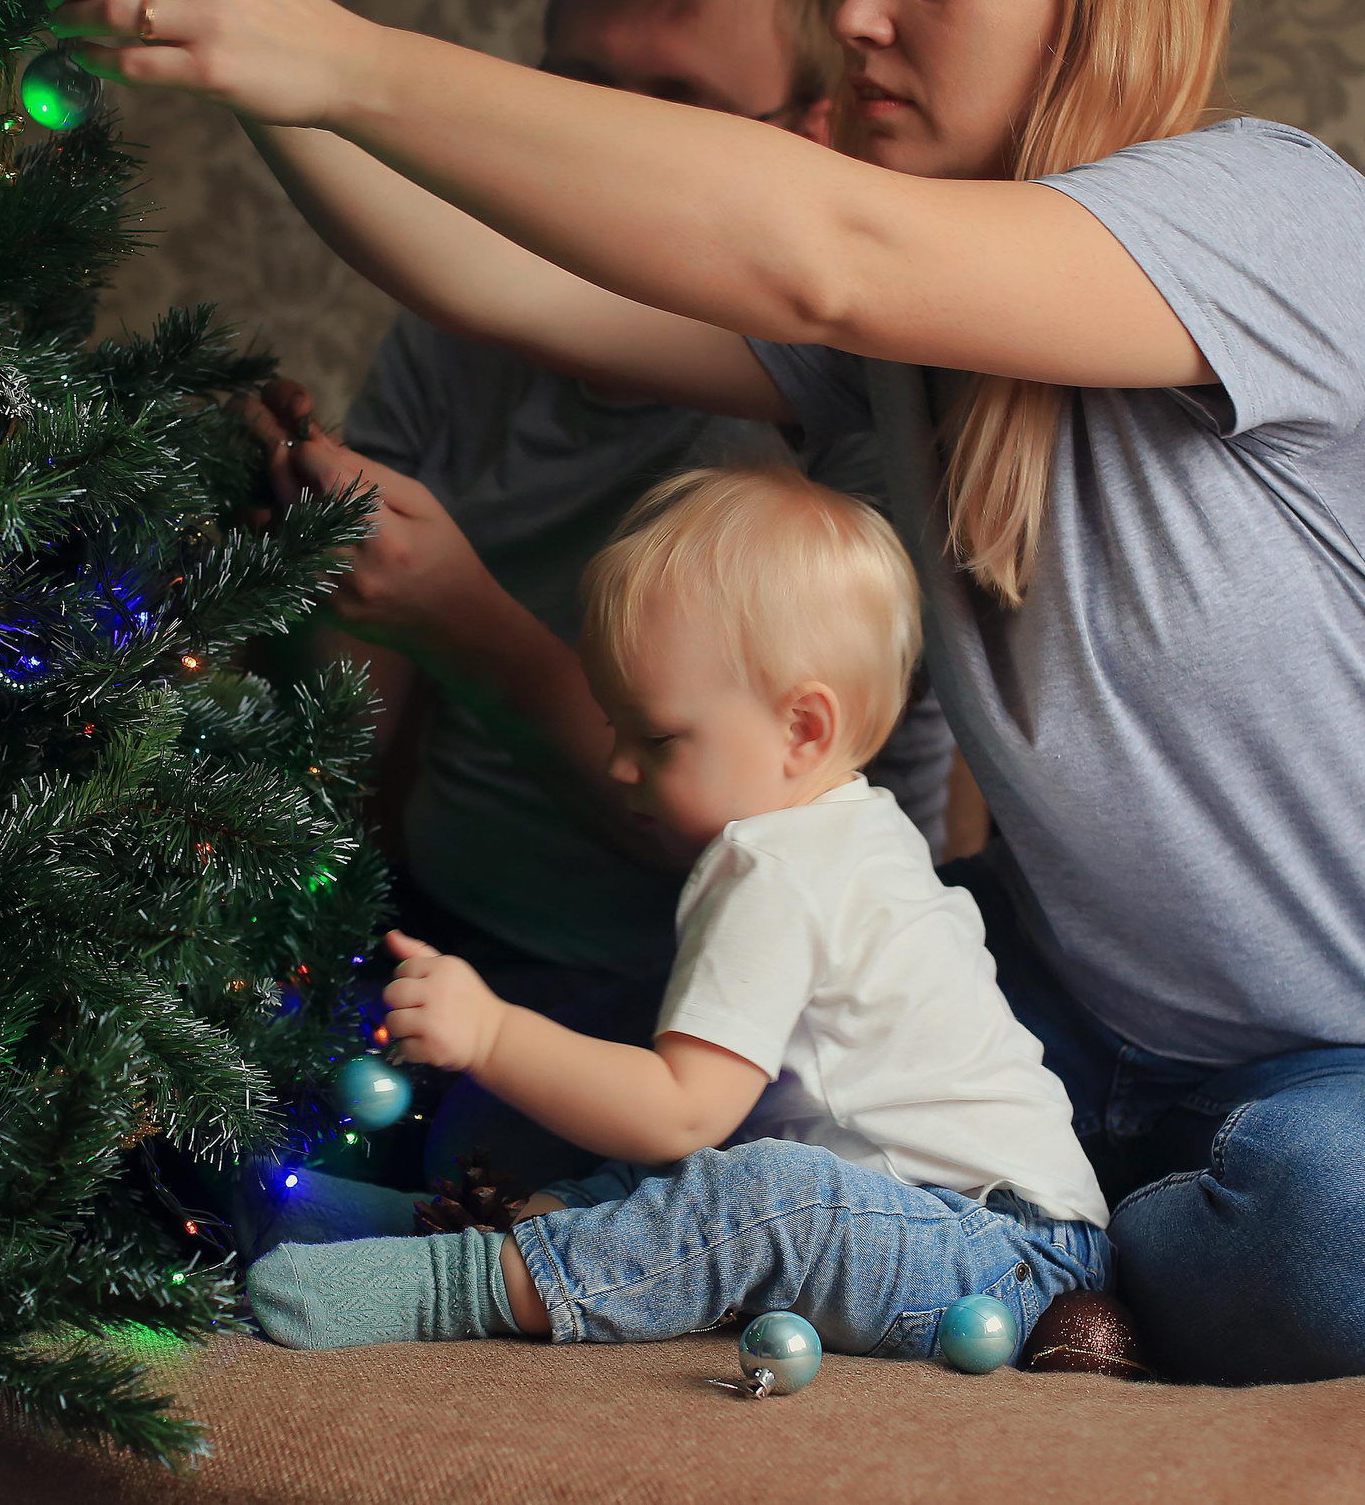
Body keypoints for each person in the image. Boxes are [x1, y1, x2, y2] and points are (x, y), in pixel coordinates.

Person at [17, 0, 1365, 1385]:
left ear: (1097, 7)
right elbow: (499, 271)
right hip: (1060, 1034)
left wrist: (336, 47)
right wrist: (246, 69)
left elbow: (829, 244)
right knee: (691, 1014)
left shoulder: (1285, 219)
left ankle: (968, 1251)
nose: (859, 13)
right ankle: (864, 1243)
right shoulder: (886, 359)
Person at [242, 0, 954, 1196]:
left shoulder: (834, 413)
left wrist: (465, 620)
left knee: (488, 1178)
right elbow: (347, 733)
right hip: (441, 920)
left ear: (809, 130)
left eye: (674, 105)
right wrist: (318, 555)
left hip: (699, 998)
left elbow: (808, 848)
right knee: (225, 1135)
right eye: (578, 92)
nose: (610, 143)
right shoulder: (458, 338)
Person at [243, 466, 1108, 1357]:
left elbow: (677, 1109)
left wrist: (493, 1033)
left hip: (1001, 1255)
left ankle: (461, 1283)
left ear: (802, 730)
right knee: (679, 1173)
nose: (618, 766)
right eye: (614, 726)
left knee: (760, 1194)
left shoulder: (778, 865)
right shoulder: (846, 830)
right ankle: (461, 1227)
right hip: (958, 1235)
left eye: (653, 735)